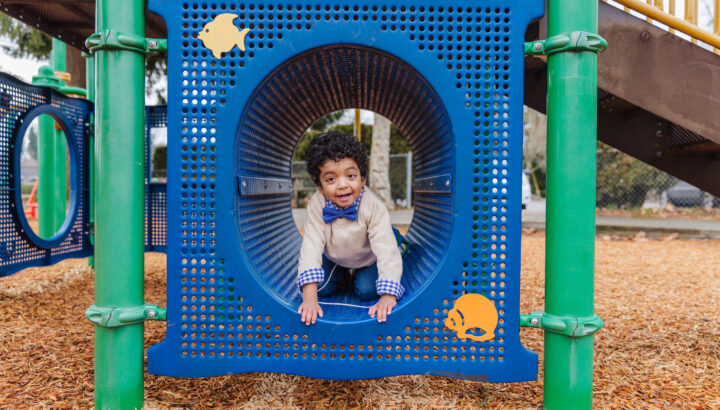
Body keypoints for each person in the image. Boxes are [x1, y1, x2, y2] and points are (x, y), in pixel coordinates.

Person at [297, 131, 405, 325]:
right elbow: (311, 245)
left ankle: (398, 240)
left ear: (363, 179)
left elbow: (385, 251)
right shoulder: (317, 205)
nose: (342, 185)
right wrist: (309, 298)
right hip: (335, 255)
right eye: (331, 179)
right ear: (319, 186)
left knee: (366, 290)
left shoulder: (372, 206)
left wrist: (389, 295)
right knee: (319, 288)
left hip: (368, 256)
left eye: (351, 175)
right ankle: (343, 275)